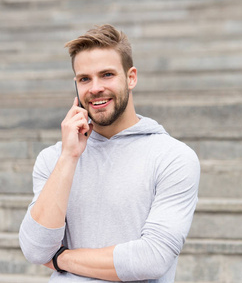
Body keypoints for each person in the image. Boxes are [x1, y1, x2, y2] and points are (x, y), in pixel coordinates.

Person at [19, 24, 200, 282]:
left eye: (106, 75)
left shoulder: (173, 157)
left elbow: (152, 258)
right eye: (84, 79)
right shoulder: (54, 159)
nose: (95, 88)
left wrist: (61, 258)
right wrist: (70, 157)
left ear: (131, 77)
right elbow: (35, 249)